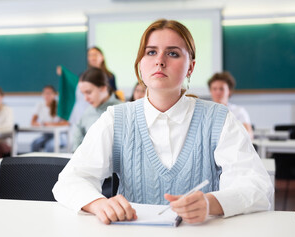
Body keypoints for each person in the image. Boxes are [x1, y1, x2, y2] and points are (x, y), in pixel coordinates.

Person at [53, 19, 273, 225]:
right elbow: (70, 180)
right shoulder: (115, 119)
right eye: (151, 52)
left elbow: (258, 187)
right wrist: (99, 203)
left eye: (173, 53)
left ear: (190, 67)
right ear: (140, 64)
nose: (160, 60)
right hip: (132, 234)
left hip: (202, 234)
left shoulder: (219, 119)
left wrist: (211, 203)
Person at [71, 67, 121, 152]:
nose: (85, 98)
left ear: (103, 88)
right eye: (83, 93)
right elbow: (76, 145)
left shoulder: (121, 110)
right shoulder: (88, 112)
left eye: (88, 92)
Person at [208, 72, 254, 139]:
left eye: (221, 89)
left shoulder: (239, 111)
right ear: (210, 91)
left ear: (229, 91)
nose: (218, 92)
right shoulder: (206, 111)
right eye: (214, 89)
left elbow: (249, 134)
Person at [31, 85, 69, 152]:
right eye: (45, 93)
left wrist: (50, 124)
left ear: (54, 94)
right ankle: (36, 162)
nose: (47, 95)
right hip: (46, 135)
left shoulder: (59, 106)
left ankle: (49, 162)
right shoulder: (40, 105)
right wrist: (40, 124)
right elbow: (33, 122)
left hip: (59, 135)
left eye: (49, 93)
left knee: (50, 146)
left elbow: (66, 123)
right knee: (34, 144)